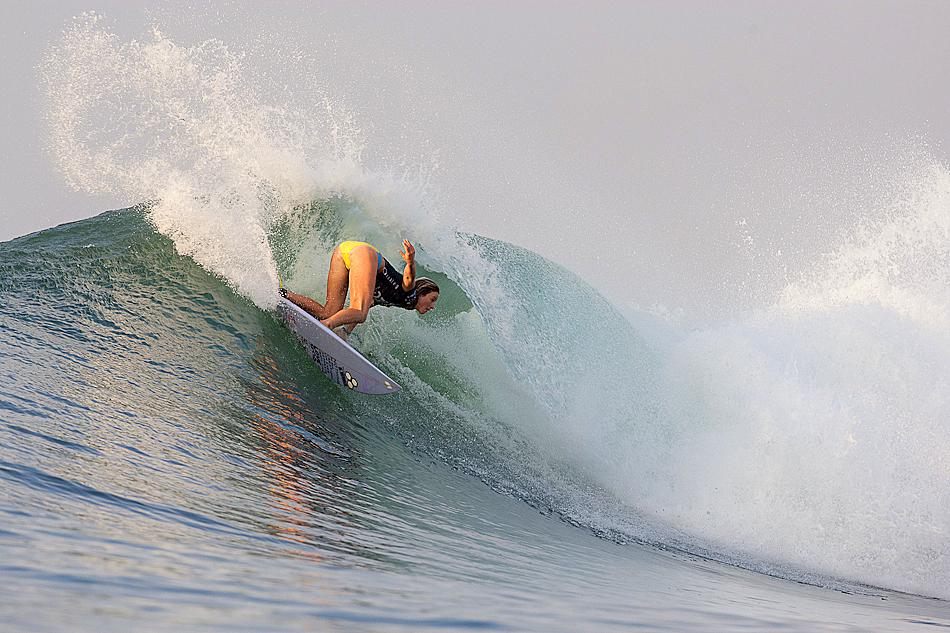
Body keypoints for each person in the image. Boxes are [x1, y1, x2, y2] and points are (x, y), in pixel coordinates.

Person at [280, 239, 440, 336]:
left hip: (344, 252)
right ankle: (325, 327)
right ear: (421, 292)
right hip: (364, 254)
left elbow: (367, 304)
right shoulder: (410, 295)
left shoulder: (392, 298)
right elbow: (409, 278)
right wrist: (411, 262)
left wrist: (345, 333)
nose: (433, 306)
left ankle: (282, 293)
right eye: (432, 299)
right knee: (359, 312)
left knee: (329, 312)